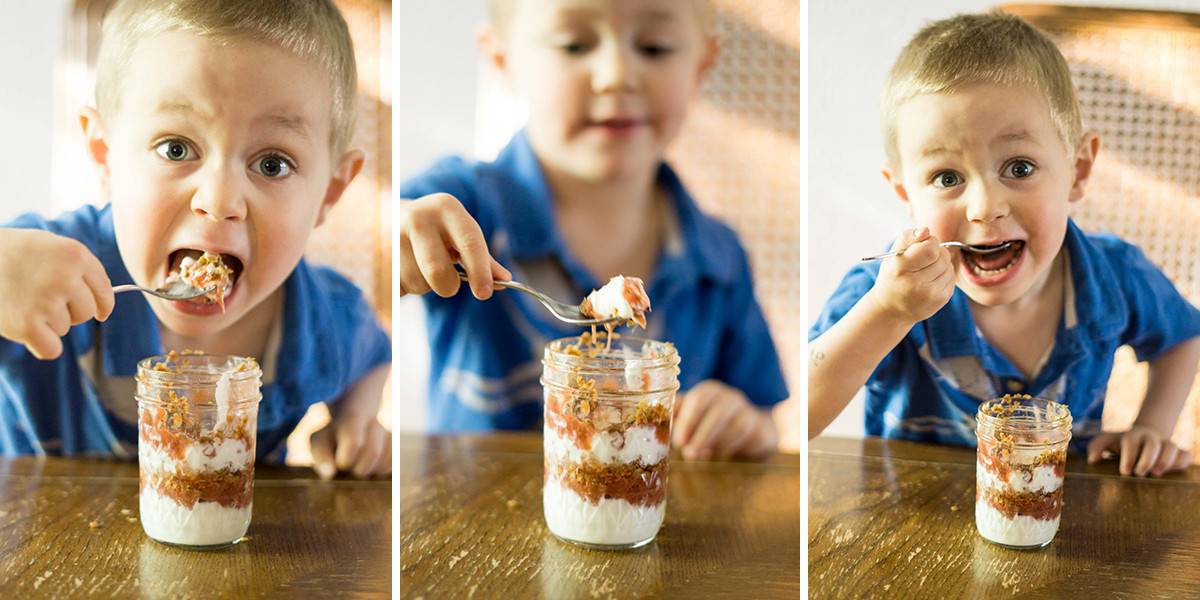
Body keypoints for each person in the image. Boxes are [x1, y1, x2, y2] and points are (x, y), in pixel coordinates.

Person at [0, 0, 391, 479]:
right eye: (176, 148)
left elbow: (373, 356)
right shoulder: (37, 272)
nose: (220, 199)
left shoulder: (326, 319)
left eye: (272, 164)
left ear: (329, 192)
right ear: (104, 156)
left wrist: (357, 418)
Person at [809, 12, 1200, 477]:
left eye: (1018, 168)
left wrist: (1153, 426)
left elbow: (1183, 336)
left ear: (1078, 170)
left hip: (1061, 526)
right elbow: (807, 413)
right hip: (910, 527)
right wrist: (888, 313)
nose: (984, 207)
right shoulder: (882, 293)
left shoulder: (1114, 274)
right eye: (947, 177)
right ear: (906, 196)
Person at [399, 0, 787, 460]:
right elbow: (399, 225)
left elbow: (764, 420)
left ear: (701, 64)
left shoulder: (719, 259)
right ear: (502, 58)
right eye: (574, 44)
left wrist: (743, 424)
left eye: (654, 47)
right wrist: (401, 232)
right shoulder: (465, 208)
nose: (616, 75)